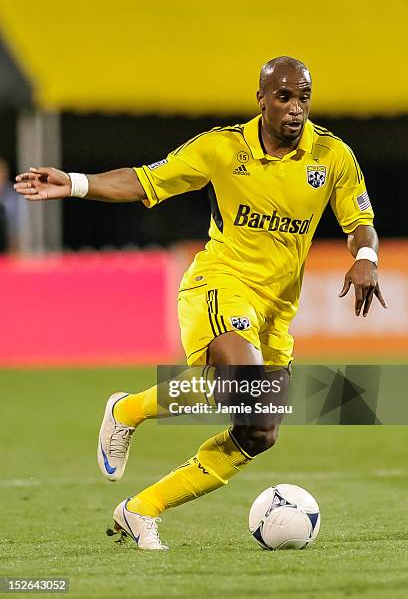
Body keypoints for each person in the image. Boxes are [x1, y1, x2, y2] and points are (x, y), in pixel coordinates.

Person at [14, 56, 386, 551]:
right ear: (261, 100)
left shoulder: (332, 155)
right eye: (284, 97)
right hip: (220, 283)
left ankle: (140, 506)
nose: (295, 109)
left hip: (276, 312)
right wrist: (77, 183)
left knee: (258, 431)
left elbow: (360, 218)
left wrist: (365, 255)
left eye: (303, 98)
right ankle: (129, 411)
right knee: (244, 382)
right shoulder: (222, 147)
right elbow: (146, 181)